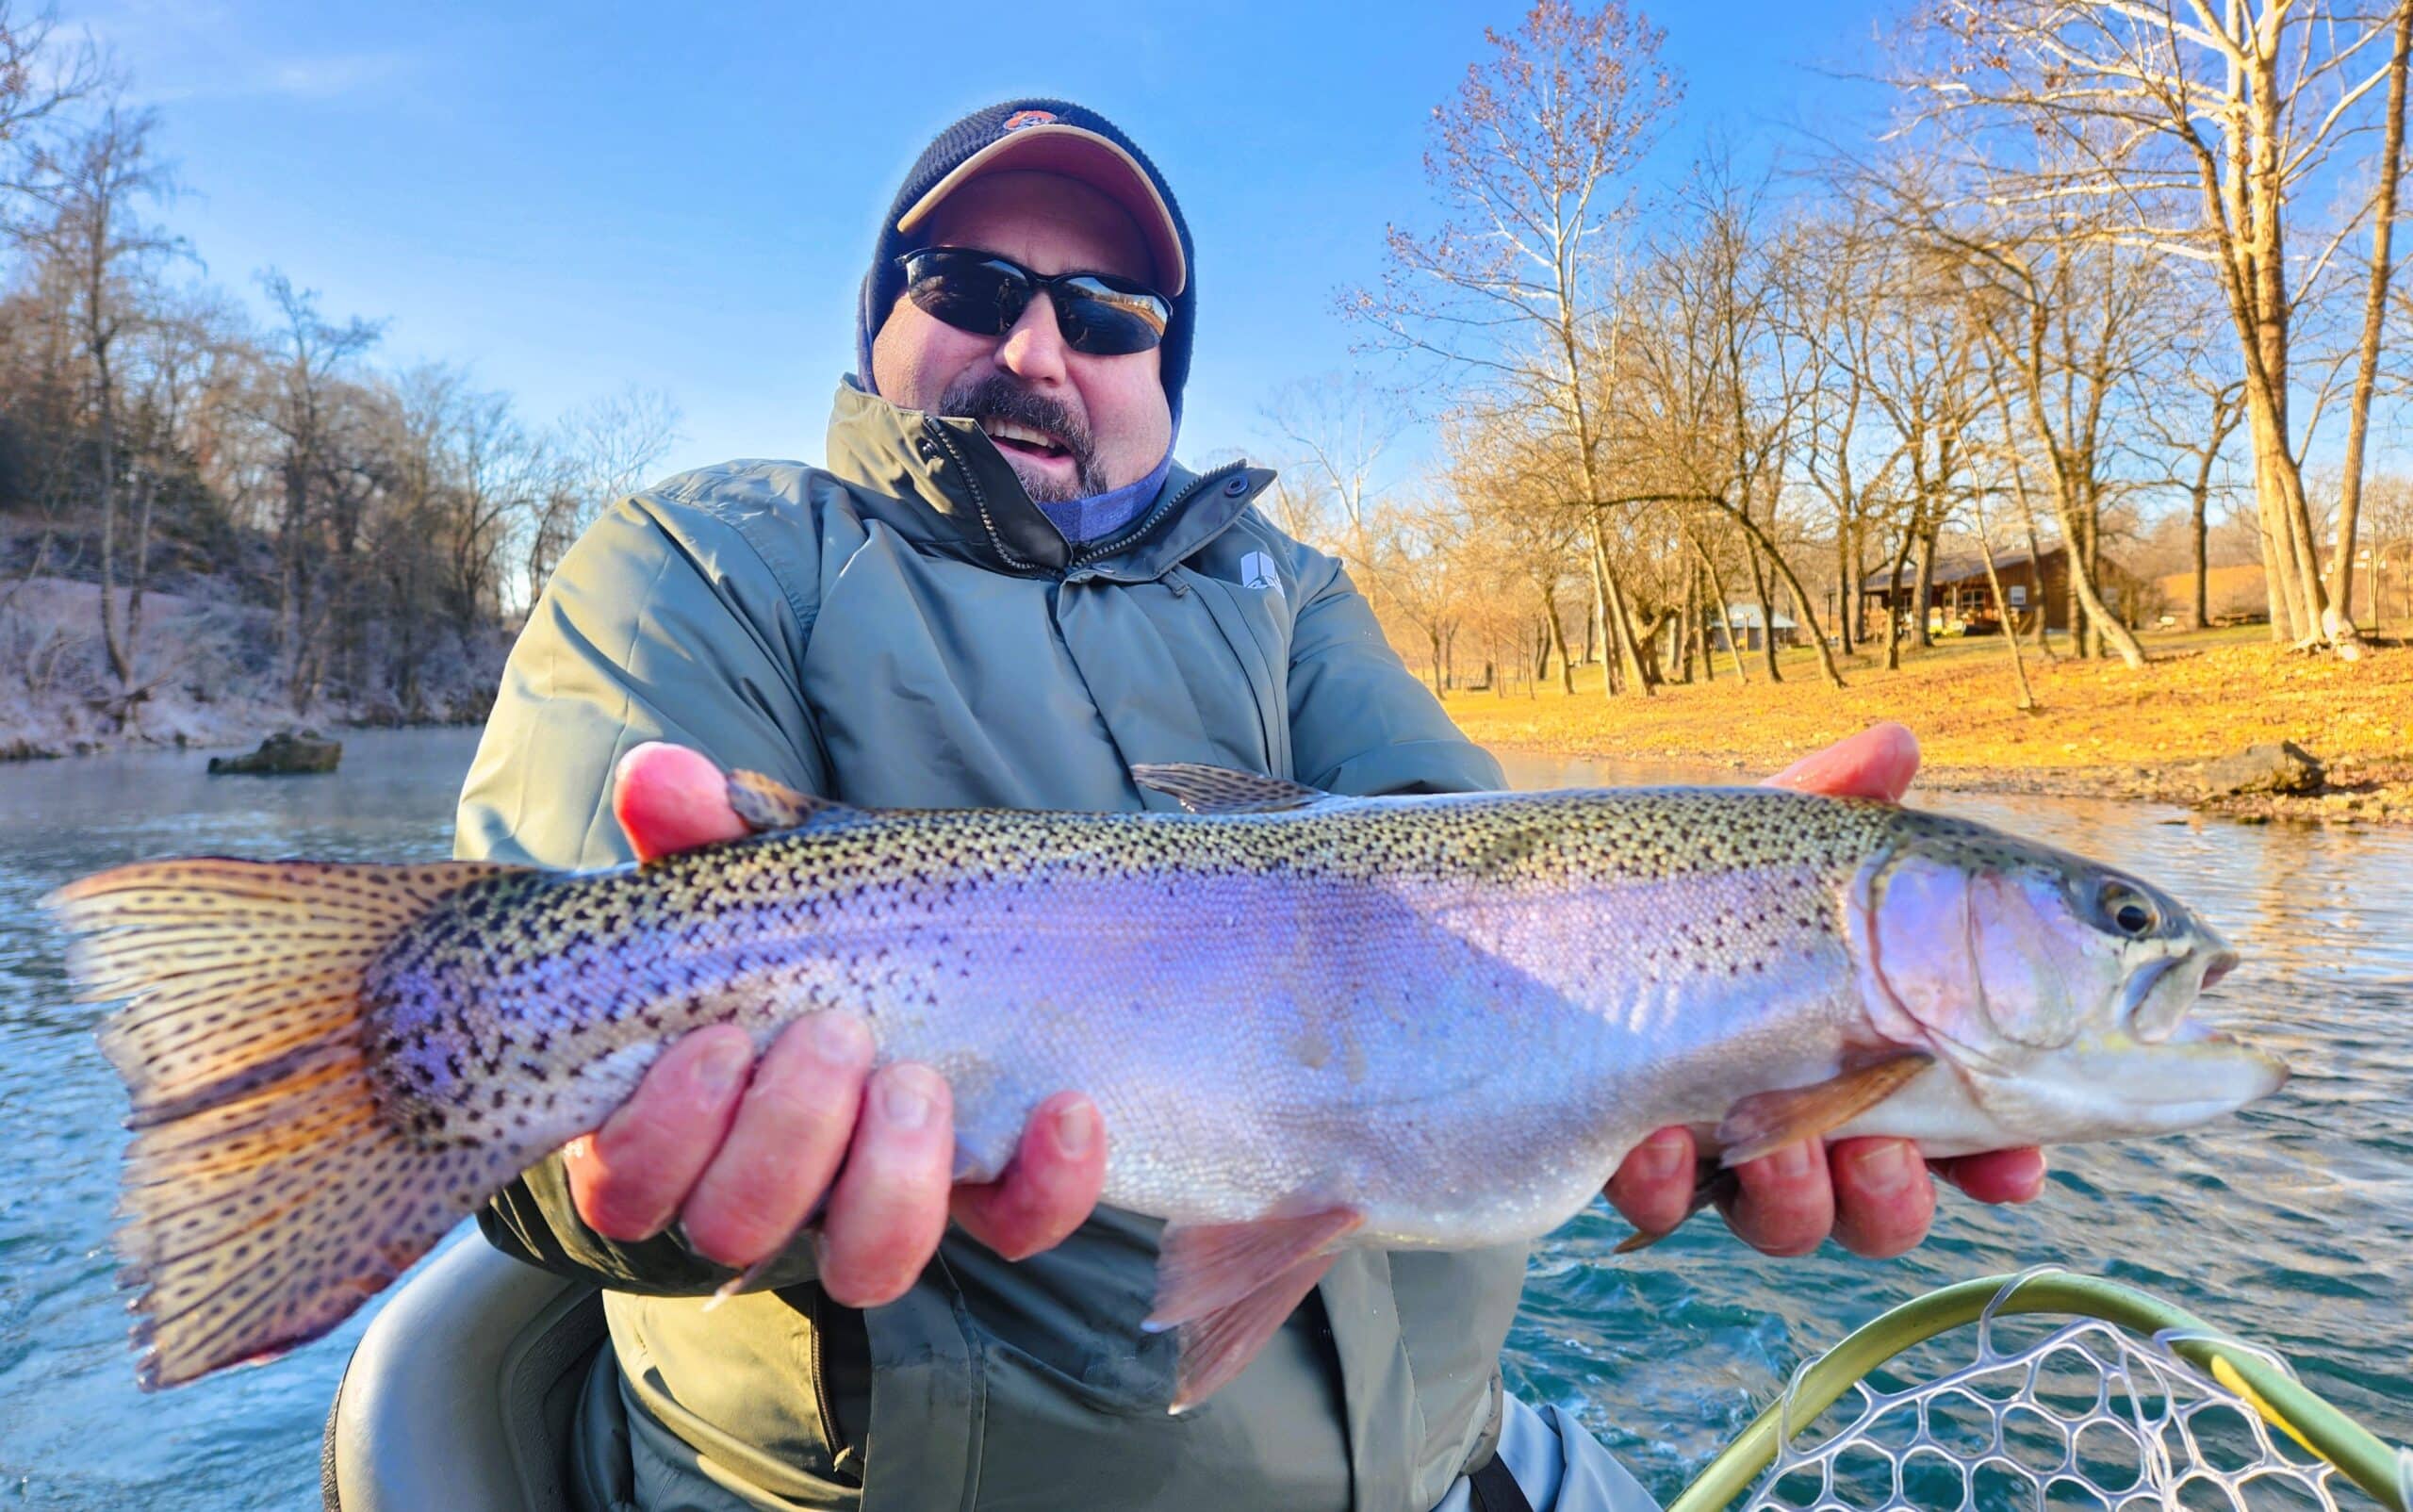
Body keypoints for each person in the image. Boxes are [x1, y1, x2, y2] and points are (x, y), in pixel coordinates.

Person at [454, 99, 2044, 1512]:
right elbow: (522, 1140)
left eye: (1107, 309)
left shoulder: (1286, 591)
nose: (1037, 348)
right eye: (971, 289)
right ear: (880, 321)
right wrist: (608, 1151)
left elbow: (1469, 887)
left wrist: (1724, 1010)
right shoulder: (707, 557)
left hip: (1439, 1460)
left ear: (1163, 368)